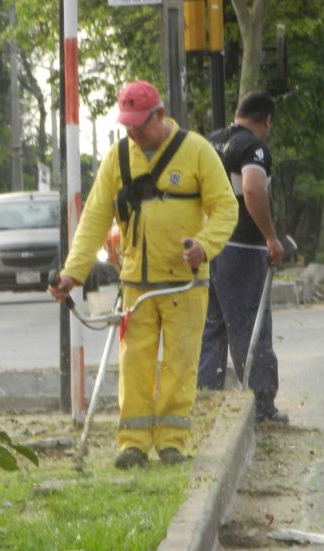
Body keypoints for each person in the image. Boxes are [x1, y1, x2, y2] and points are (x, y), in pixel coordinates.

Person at [49, 81, 238, 469]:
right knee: (134, 365)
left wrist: (205, 245)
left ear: (160, 115)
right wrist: (73, 274)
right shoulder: (118, 158)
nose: (132, 132)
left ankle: (172, 443)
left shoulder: (197, 151)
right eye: (127, 125)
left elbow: (225, 208)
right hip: (136, 283)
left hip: (186, 282)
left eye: (139, 124)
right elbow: (95, 219)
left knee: (180, 364)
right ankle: (132, 445)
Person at [197, 91, 288, 424]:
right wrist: (270, 237)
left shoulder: (209, 143)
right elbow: (252, 189)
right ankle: (261, 405)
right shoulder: (253, 148)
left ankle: (206, 400)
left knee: (212, 327)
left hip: (207, 246)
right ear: (267, 121)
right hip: (243, 248)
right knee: (250, 325)